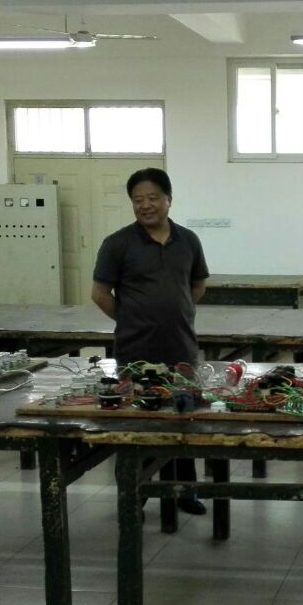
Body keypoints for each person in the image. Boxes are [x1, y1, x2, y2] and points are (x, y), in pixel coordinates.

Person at [92, 167, 210, 516]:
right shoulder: (117, 244)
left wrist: (174, 313)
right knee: (136, 424)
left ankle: (185, 492)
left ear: (168, 199)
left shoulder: (188, 240)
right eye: (138, 199)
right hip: (135, 351)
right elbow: (100, 294)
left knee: (183, 420)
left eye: (153, 198)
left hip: (181, 348)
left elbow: (197, 286)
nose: (145, 205)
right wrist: (132, 319)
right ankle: (134, 496)